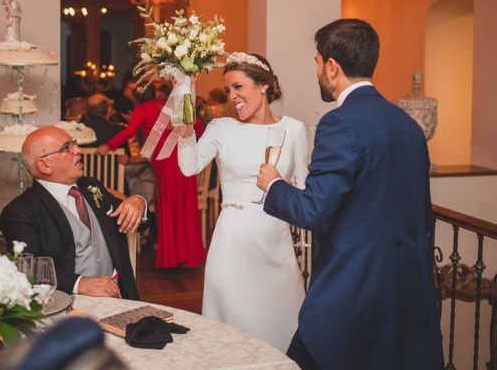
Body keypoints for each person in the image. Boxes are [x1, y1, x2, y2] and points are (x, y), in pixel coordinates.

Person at [257, 19, 444, 370]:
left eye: (316, 61)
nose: (316, 70)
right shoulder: (407, 125)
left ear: (332, 66)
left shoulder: (339, 122)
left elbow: (314, 210)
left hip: (352, 292)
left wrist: (273, 186)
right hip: (405, 292)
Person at [177, 52, 307, 350]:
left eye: (238, 87)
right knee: (232, 335)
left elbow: (303, 190)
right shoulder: (222, 128)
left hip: (276, 246)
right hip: (232, 244)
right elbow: (189, 167)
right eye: (228, 90)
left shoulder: (294, 130)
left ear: (263, 85)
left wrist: (279, 186)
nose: (232, 96)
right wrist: (185, 128)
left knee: (283, 328)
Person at [0, 126, 145, 299]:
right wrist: (79, 283)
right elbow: (29, 271)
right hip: (67, 306)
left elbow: (141, 223)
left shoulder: (91, 186)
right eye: (66, 148)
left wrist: (139, 202)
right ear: (44, 165)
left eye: (74, 144)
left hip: (119, 298)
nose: (77, 150)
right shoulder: (21, 212)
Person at [98, 85, 205, 269]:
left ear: (135, 98)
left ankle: (172, 258)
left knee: (169, 206)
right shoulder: (166, 105)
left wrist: (108, 145)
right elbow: (198, 127)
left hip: (167, 163)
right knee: (185, 206)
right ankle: (189, 257)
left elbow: (129, 131)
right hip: (183, 157)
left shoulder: (142, 109)